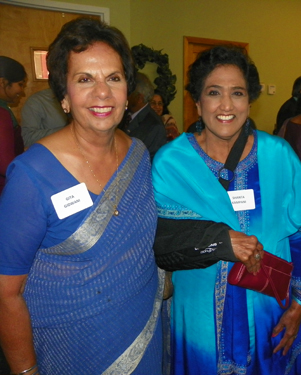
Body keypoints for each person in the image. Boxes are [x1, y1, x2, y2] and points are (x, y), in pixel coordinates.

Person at [0, 17, 163, 375]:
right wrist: (25, 371)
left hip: (144, 334)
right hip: (71, 351)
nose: (102, 93)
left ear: (127, 90)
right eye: (84, 79)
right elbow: (6, 292)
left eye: (114, 78)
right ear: (64, 96)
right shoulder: (32, 176)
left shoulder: (138, 153)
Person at [152, 45, 301, 375]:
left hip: (270, 312)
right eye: (214, 92)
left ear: (250, 100)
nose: (226, 105)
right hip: (199, 318)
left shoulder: (278, 155)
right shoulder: (171, 164)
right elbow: (160, 244)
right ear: (197, 100)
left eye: (238, 93)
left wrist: (299, 304)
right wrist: (217, 240)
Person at [122, 72, 166, 160]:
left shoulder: (154, 125)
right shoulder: (123, 115)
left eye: (129, 93)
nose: (125, 96)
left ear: (139, 98)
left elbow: (153, 161)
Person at [0, 56, 26, 195]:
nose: (22, 91)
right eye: (20, 84)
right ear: (3, 82)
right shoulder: (1, 114)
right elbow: (6, 165)